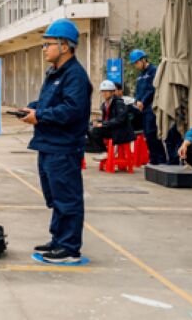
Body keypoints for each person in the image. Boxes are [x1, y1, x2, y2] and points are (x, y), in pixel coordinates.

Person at [20, 19, 92, 264]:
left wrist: (39, 116)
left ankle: (69, 248)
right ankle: (58, 239)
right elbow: (51, 103)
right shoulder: (55, 73)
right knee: (55, 196)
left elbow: (72, 110)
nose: (44, 49)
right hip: (49, 143)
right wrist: (33, 109)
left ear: (65, 46)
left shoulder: (75, 76)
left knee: (67, 197)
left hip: (64, 146)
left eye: (48, 44)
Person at [130, 49, 167, 164]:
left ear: (143, 59)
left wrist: (143, 101)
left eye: (137, 62)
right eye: (134, 63)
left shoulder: (153, 71)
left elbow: (153, 89)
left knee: (152, 133)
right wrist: (137, 101)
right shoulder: (140, 75)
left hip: (151, 107)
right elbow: (138, 90)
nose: (136, 65)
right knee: (147, 134)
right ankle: (153, 158)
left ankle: (160, 159)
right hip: (142, 109)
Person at [88, 80, 135, 161]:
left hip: (121, 132)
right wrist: (98, 122)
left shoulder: (119, 103)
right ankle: (102, 151)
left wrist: (103, 124)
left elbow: (120, 119)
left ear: (112, 92)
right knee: (89, 128)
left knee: (95, 131)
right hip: (112, 129)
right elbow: (107, 118)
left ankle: (104, 152)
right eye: (102, 91)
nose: (104, 93)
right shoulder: (105, 104)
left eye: (106, 91)